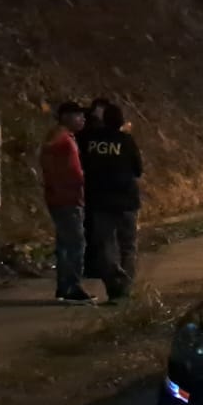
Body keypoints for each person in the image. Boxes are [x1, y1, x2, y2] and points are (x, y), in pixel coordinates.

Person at [81, 103, 144, 303]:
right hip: (126, 201)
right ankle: (124, 288)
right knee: (128, 245)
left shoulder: (90, 141)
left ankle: (113, 286)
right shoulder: (126, 140)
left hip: (99, 201)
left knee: (105, 245)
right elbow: (138, 169)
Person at [40, 102, 94, 302]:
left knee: (67, 243)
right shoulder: (60, 139)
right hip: (67, 198)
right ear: (66, 117)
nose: (83, 120)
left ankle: (66, 287)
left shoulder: (62, 137)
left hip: (64, 197)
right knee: (74, 243)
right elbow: (65, 168)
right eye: (79, 116)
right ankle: (72, 287)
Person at [77, 98, 111, 278]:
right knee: (97, 229)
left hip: (86, 184)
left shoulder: (82, 131)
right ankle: (96, 265)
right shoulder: (97, 131)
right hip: (96, 185)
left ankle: (90, 265)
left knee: (89, 227)